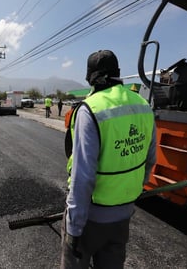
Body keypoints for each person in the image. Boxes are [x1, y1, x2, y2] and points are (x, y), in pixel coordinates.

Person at [61, 50, 156, 268]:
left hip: (90, 219)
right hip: (122, 216)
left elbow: (82, 177)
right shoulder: (143, 105)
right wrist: (128, 193)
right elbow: (150, 160)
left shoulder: (91, 109)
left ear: (91, 77)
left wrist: (74, 228)